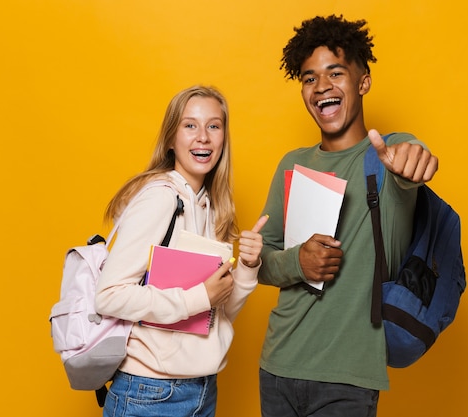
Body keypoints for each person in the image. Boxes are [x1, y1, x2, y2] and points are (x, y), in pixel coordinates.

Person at [257, 15, 439, 417]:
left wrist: (413, 161)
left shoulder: (387, 157)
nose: (321, 86)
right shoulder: (292, 163)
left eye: (335, 72)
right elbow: (261, 262)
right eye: (309, 78)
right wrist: (296, 261)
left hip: (349, 378)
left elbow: (411, 160)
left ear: (363, 81)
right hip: (278, 366)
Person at [95, 85, 268, 417]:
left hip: (201, 389)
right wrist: (198, 297)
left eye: (213, 126)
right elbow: (108, 296)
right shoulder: (160, 198)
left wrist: (247, 266)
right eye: (190, 125)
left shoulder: (212, 207)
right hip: (151, 394)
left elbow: (215, 315)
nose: (203, 136)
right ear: (171, 139)